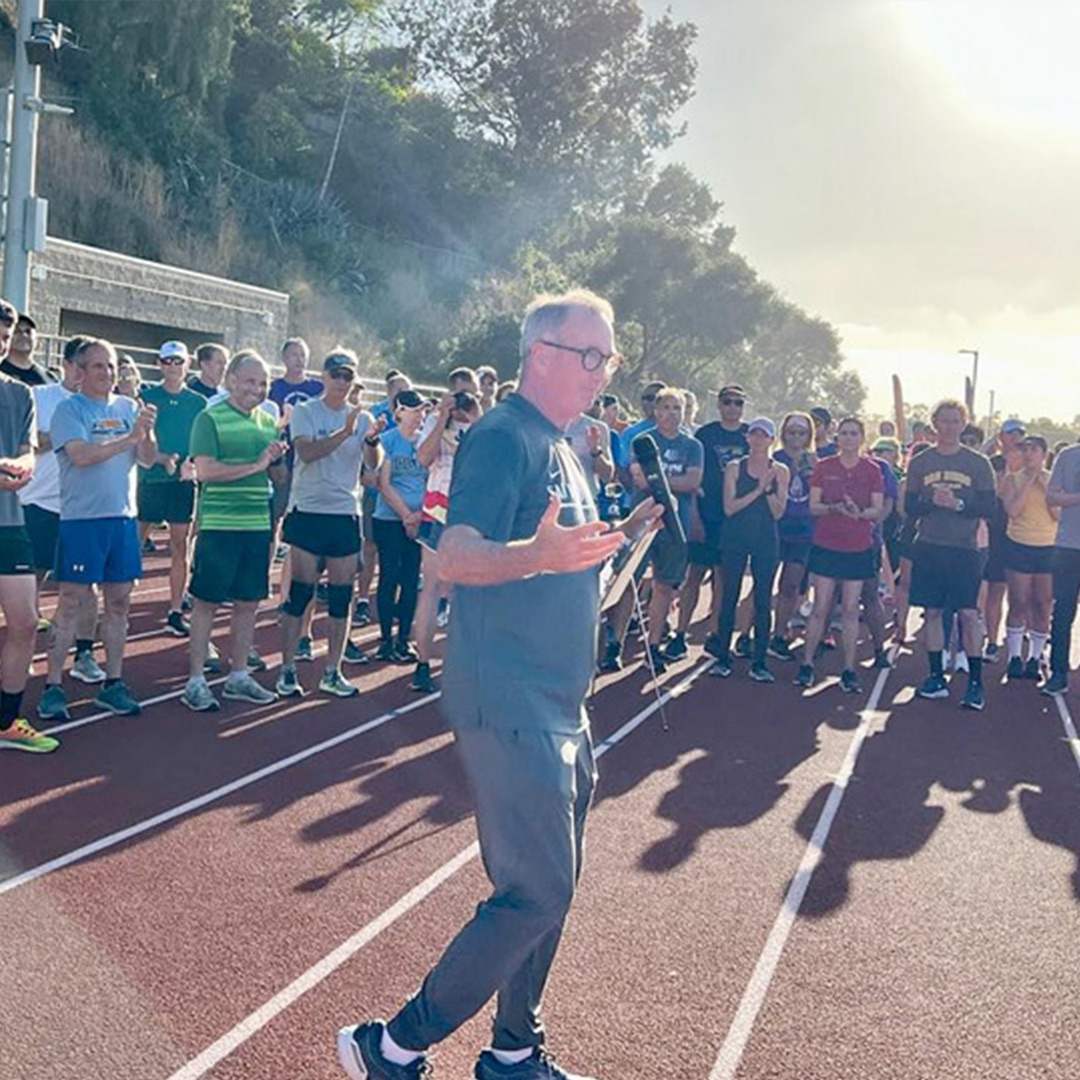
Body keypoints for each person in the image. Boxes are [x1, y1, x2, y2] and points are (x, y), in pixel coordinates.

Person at [336, 288, 656, 1080]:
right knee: (537, 891)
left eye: (607, 358)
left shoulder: (564, 446)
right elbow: (458, 558)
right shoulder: (503, 438)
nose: (602, 372)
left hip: (559, 701)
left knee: (552, 888)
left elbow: (559, 567)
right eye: (592, 356)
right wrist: (545, 557)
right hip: (511, 700)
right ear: (542, 354)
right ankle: (392, 1045)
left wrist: (611, 556)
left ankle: (514, 1051)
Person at [38, 339, 159, 721]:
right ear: (80, 371)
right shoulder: (68, 411)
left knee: (120, 601)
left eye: (111, 367)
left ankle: (113, 682)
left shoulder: (128, 408)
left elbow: (148, 459)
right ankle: (52, 685)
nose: (107, 374)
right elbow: (81, 456)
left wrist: (147, 434)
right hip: (82, 520)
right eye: (98, 367)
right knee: (72, 600)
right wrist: (128, 438)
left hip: (122, 518)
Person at [181, 350, 287, 712]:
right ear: (231, 381)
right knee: (206, 602)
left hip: (257, 525)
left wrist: (278, 460)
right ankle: (196, 680)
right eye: (250, 381)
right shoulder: (209, 419)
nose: (256, 390)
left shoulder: (267, 422)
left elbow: (276, 476)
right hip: (220, 524)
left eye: (263, 383)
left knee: (248, 603)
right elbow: (206, 471)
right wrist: (258, 463)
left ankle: (238, 675)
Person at [276, 350, 377, 699]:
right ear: (324, 376)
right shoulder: (306, 411)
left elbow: (372, 468)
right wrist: (343, 431)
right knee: (301, 593)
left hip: (344, 512)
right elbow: (305, 453)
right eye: (336, 374)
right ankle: (287, 668)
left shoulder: (361, 418)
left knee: (341, 597)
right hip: (308, 510)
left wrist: (372, 440)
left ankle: (332, 671)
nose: (342, 382)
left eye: (348, 376)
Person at [906, 400, 996, 710]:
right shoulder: (920, 461)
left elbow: (989, 508)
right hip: (930, 545)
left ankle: (975, 683)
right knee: (932, 612)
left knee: (968, 615)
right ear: (934, 424)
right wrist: (934, 501)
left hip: (965, 550)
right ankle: (935, 677)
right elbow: (910, 506)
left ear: (963, 423)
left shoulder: (978, 463)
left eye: (955, 421)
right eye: (943, 421)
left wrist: (958, 505)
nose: (949, 426)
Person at [0, 300, 56, 752]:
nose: (1, 343)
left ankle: (6, 720)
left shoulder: (21, 394)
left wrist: (19, 465)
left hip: (9, 520)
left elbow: (27, 452)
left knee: (24, 621)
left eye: (5, 336)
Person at [794, 417, 884, 694]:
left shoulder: (872, 470)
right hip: (826, 545)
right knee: (820, 608)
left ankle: (848, 669)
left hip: (857, 547)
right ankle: (807, 664)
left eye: (853, 433)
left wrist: (858, 513)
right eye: (843, 433)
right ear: (837, 437)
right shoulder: (824, 466)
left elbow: (876, 510)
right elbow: (814, 506)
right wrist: (834, 508)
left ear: (861, 438)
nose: (848, 438)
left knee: (849, 609)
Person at [412, 371, 481, 692]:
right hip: (439, 508)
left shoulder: (487, 424)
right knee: (432, 587)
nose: (466, 400)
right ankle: (423, 662)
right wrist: (442, 417)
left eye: (472, 394)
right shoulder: (435, 421)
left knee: (471, 591)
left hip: (475, 512)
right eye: (461, 394)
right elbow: (423, 458)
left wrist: (476, 418)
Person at [708, 416, 788, 682]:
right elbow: (729, 507)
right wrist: (758, 488)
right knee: (729, 595)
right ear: (747, 437)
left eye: (763, 435)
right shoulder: (734, 467)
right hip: (735, 538)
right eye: (753, 434)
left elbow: (778, 512)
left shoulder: (781, 471)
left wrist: (768, 490)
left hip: (765, 539)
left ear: (771, 440)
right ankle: (722, 657)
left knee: (763, 599)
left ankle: (760, 661)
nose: (757, 439)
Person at [629, 388, 702, 673]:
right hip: (643, 520)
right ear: (656, 412)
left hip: (675, 525)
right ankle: (613, 642)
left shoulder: (693, 446)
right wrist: (672, 480)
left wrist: (660, 479)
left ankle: (654, 643)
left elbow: (693, 481)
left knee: (663, 587)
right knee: (629, 586)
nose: (672, 413)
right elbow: (641, 481)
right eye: (667, 407)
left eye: (677, 408)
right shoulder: (642, 441)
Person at [137, 341, 206, 637]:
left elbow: (203, 443)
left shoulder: (199, 403)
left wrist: (191, 465)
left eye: (179, 360)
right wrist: (162, 459)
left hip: (182, 484)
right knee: (134, 544)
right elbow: (137, 440)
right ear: (159, 363)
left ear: (187, 363)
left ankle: (175, 610)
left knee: (180, 546)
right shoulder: (146, 397)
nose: (174, 366)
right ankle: (119, 603)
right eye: (168, 361)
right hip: (150, 481)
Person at [683, 384, 748, 660]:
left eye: (738, 403)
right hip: (706, 515)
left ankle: (714, 634)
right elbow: (694, 479)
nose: (733, 408)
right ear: (720, 405)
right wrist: (695, 515)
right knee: (694, 575)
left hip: (733, 520)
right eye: (728, 402)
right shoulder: (705, 435)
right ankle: (679, 634)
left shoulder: (750, 436)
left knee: (723, 579)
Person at [371, 388, 429, 662]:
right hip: (389, 519)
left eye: (423, 410)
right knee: (389, 577)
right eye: (415, 410)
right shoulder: (389, 440)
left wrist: (418, 516)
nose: (421, 415)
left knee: (410, 580)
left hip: (419, 521)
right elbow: (384, 483)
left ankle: (404, 638)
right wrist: (406, 514)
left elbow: (433, 478)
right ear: (400, 412)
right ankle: (385, 638)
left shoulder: (426, 442)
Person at [1000, 435, 1057, 680]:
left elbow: (1057, 514)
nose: (1028, 454)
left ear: (1044, 454)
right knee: (1019, 600)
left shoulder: (1054, 480)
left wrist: (1043, 482)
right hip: (1019, 544)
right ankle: (1014, 657)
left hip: (1048, 546)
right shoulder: (1012, 479)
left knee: (1043, 602)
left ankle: (1035, 657)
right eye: (1025, 450)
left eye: (1033, 450)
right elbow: (1013, 510)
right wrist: (1029, 480)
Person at [771, 411, 817, 660]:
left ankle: (779, 634)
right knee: (764, 582)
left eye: (802, 432)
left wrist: (810, 473)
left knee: (791, 584)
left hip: (804, 530)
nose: (796, 437)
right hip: (777, 527)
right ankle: (749, 634)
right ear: (783, 434)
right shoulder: (775, 459)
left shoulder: (815, 461)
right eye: (792, 432)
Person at [981, 418, 1026, 661]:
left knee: (1021, 594)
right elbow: (994, 492)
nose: (1016, 438)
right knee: (995, 590)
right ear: (1002, 437)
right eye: (1011, 434)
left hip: (1024, 534)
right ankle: (991, 640)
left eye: (1020, 433)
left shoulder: (1031, 465)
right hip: (997, 533)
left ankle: (1020, 640)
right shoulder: (993, 463)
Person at [1044, 442, 1080, 696]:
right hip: (1069, 547)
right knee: (1063, 611)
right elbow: (1052, 496)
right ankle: (1058, 673)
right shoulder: (1068, 456)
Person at [1, 312, 55, 386]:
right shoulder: (2, 373)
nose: (23, 335)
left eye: (28, 331)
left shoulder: (49, 378)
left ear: (36, 339)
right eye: (17, 331)